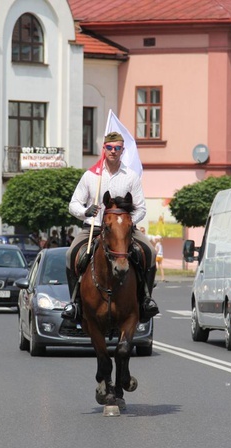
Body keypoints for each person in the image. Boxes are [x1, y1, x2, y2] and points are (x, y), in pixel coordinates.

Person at [62, 131, 158, 322]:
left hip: (123, 230)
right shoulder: (91, 176)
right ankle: (74, 302)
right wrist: (85, 212)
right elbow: (73, 204)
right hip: (94, 228)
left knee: (150, 252)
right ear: (104, 149)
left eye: (117, 148)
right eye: (109, 147)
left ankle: (146, 299)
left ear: (123, 150)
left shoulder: (131, 176)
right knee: (71, 254)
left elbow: (141, 208)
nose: (113, 151)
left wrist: (128, 223)